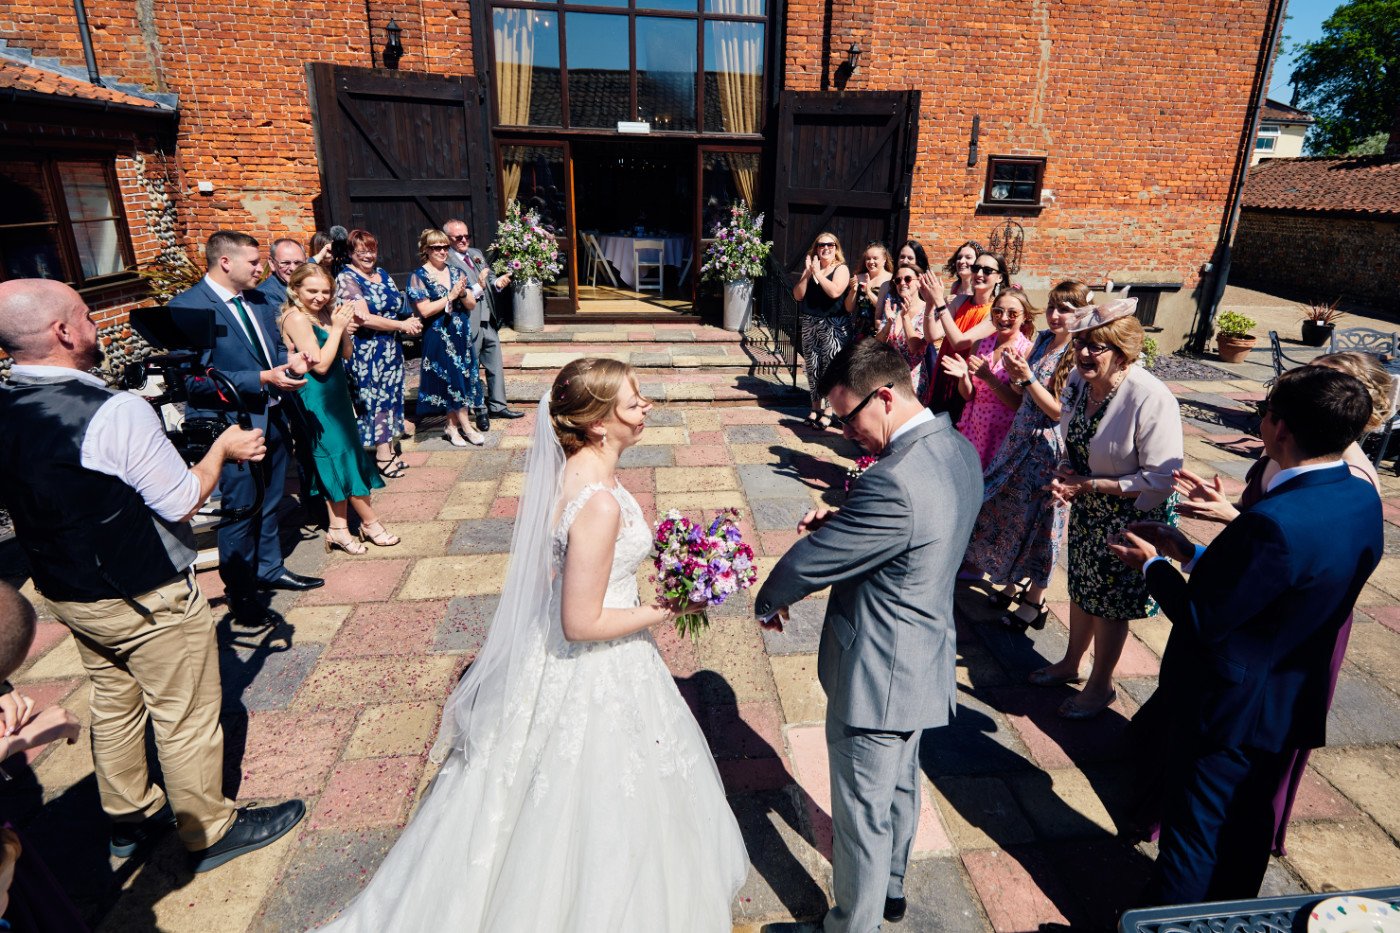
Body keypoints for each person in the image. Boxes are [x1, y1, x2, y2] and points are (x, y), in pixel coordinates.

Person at [317, 358, 747, 931]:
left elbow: (555, 578)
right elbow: (579, 623)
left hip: (566, 661)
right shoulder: (597, 500)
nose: (645, 408)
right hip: (596, 663)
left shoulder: (578, 472)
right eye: (633, 401)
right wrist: (667, 606)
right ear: (598, 423)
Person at [0, 279, 305, 873]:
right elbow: (182, 500)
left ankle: (130, 816)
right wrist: (222, 451)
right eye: (86, 316)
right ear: (63, 332)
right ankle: (209, 829)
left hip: (67, 591)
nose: (93, 326)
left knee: (114, 701)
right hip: (146, 592)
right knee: (185, 712)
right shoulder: (115, 412)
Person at [1110, 364, 1383, 905]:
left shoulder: (1274, 522)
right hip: (1288, 697)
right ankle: (1231, 911)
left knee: (1195, 834)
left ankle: (1168, 918)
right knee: (1247, 826)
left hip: (1229, 707)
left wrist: (1152, 565)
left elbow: (1204, 619)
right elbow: (1280, 586)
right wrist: (1189, 551)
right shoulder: (1361, 499)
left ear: (1279, 429)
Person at [756, 339, 983, 933]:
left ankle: (850, 925)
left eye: (848, 416)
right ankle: (891, 889)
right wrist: (849, 521)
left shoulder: (893, 480)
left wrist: (768, 598)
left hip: (879, 671)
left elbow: (809, 564)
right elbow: (921, 529)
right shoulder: (957, 446)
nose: (844, 429)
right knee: (901, 783)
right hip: (924, 653)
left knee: (861, 811)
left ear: (884, 396)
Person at [1037, 298, 1183, 719]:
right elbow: (1074, 436)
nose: (1083, 352)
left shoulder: (1150, 397)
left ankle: (1101, 687)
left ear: (1122, 352)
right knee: (1083, 589)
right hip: (1089, 507)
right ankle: (1071, 664)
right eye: (1080, 342)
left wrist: (1092, 484)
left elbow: (1162, 477)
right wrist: (1067, 471)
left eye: (1095, 346)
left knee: (1110, 603)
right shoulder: (1081, 384)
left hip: (1130, 515)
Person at [169, 230, 325, 619]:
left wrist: (289, 362)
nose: (262, 269)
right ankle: (240, 594)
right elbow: (190, 383)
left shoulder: (256, 300)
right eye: (254, 263)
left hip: (271, 415)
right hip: (227, 426)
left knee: (270, 499)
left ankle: (270, 570)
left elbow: (269, 348)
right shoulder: (187, 307)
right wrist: (260, 379)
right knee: (240, 509)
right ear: (226, 262)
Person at [963, 280, 1082, 628]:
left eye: (1065, 309)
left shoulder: (1076, 353)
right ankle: (1014, 583)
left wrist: (1028, 379)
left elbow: (1060, 412)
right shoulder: (1043, 341)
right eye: (1052, 307)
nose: (1056, 315)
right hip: (1018, 442)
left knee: (1041, 526)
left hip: (1048, 451)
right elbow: (1017, 400)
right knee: (1011, 515)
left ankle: (1036, 601)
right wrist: (998, 378)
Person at [278, 263, 400, 553]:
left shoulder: (322, 313)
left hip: (337, 395)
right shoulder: (294, 317)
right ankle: (370, 523)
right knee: (339, 457)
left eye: (325, 291)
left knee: (340, 458)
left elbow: (346, 352)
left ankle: (338, 529)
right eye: (312, 291)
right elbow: (319, 364)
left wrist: (338, 326)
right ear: (295, 290)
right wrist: (337, 327)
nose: (320, 297)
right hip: (316, 399)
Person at [336, 229, 421, 477]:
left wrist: (409, 320)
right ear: (351, 253)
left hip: (390, 348)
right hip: (367, 352)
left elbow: (396, 305)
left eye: (371, 250)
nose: (368, 255)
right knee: (375, 401)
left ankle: (390, 450)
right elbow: (364, 318)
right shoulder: (347, 279)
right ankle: (382, 456)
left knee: (392, 397)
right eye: (361, 251)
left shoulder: (382, 274)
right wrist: (401, 325)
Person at [407, 228, 487, 447]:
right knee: (451, 379)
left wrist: (461, 293)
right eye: (436, 248)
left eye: (444, 247)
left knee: (462, 378)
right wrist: (449, 297)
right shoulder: (418, 276)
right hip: (439, 334)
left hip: (461, 332)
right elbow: (424, 311)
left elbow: (471, 303)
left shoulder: (455, 271)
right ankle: (466, 425)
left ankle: (452, 427)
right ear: (426, 250)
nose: (442, 251)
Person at [939, 289, 1035, 470]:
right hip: (974, 428)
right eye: (998, 311)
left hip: (1004, 433)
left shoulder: (1028, 350)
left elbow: (1017, 404)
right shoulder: (980, 344)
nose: (1004, 317)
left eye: (1012, 313)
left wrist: (989, 378)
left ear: (1025, 317)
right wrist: (963, 379)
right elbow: (969, 396)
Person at [444, 217, 523, 424]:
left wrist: (498, 281)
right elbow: (457, 291)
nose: (463, 240)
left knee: (495, 365)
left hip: (488, 319)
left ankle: (498, 406)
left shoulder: (476, 253)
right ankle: (479, 410)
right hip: (468, 319)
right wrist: (477, 285)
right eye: (458, 237)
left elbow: (489, 277)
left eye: (466, 236)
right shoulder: (447, 261)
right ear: (448, 239)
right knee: (471, 367)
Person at [923, 252, 1007, 422]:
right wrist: (930, 305)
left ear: (999, 277)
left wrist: (940, 302)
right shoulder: (959, 300)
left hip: (965, 382)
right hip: (943, 373)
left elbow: (959, 343)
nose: (980, 274)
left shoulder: (995, 313)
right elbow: (932, 335)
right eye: (976, 268)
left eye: (987, 270)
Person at [793, 231, 852, 429]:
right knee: (813, 367)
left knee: (830, 368)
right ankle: (815, 407)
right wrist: (808, 273)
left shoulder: (841, 269)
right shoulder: (812, 269)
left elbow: (835, 292)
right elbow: (798, 295)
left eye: (830, 245)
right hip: (811, 322)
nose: (825, 248)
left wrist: (818, 273)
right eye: (821, 245)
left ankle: (829, 410)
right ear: (816, 248)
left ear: (836, 249)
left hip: (834, 324)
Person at [875, 262, 928, 394]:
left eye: (908, 279)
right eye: (898, 280)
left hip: (912, 382)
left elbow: (915, 347)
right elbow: (878, 343)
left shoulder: (927, 311)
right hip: (889, 377)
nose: (902, 283)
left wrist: (905, 318)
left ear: (919, 282)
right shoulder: (894, 308)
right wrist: (888, 324)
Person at [843, 242, 893, 341]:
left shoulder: (890, 280)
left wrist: (868, 292)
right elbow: (849, 308)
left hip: (880, 330)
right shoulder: (859, 277)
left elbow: (886, 309)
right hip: (860, 330)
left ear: (884, 260)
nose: (871, 261)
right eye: (868, 258)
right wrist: (853, 291)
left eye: (875, 258)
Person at [256, 237, 307, 308]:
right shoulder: (265, 294)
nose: (293, 268)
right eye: (286, 263)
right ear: (272, 263)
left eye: (298, 263)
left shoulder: (308, 283)